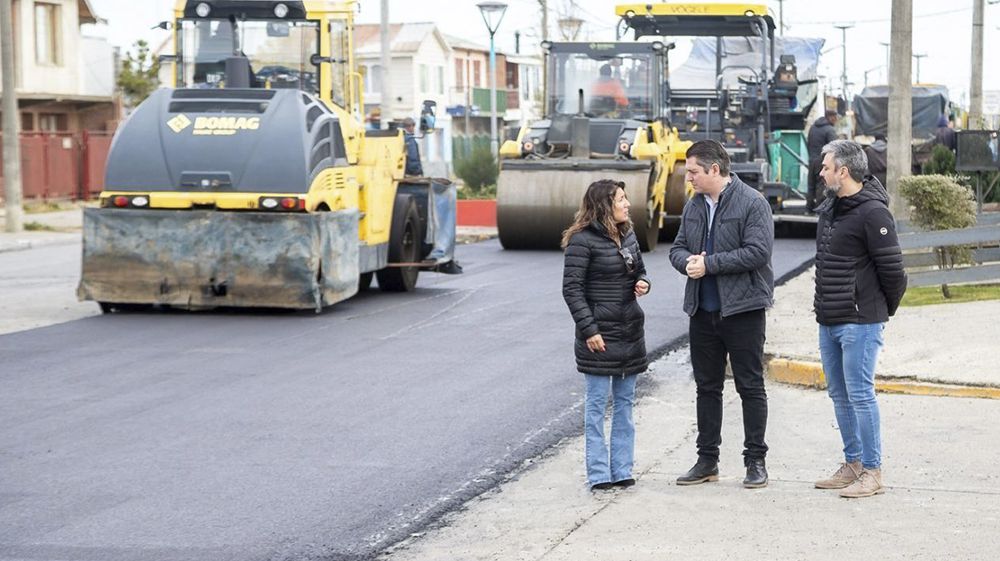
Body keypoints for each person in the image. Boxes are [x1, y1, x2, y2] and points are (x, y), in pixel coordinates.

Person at [668, 140, 775, 489]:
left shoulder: (753, 203)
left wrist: (709, 265)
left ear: (715, 170)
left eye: (694, 172)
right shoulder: (694, 206)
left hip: (743, 310)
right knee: (707, 388)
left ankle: (755, 461)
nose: (690, 179)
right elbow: (678, 248)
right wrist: (687, 262)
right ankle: (707, 460)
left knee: (750, 387)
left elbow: (758, 252)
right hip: (702, 311)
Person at [813, 139, 907, 499]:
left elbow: (894, 272)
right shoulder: (830, 209)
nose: (821, 172)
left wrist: (877, 312)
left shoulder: (873, 213)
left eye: (826, 166)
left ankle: (872, 470)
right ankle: (852, 464)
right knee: (839, 393)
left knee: (860, 394)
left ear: (844, 171)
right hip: (829, 318)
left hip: (860, 321)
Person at [562, 179, 651, 491]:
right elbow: (572, 291)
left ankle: (622, 469)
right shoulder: (581, 241)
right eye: (621, 200)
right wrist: (590, 330)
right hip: (599, 336)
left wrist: (643, 283)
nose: (627, 204)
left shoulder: (628, 235)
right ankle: (599, 474)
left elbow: (639, 270)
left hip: (629, 331)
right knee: (597, 406)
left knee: (625, 404)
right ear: (604, 206)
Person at [807, 110, 840, 212]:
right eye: (835, 117)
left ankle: (808, 208)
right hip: (822, 161)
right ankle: (819, 210)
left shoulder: (813, 128)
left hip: (812, 160)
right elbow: (835, 147)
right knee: (822, 184)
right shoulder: (829, 130)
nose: (836, 120)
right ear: (830, 117)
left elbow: (808, 143)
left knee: (811, 185)